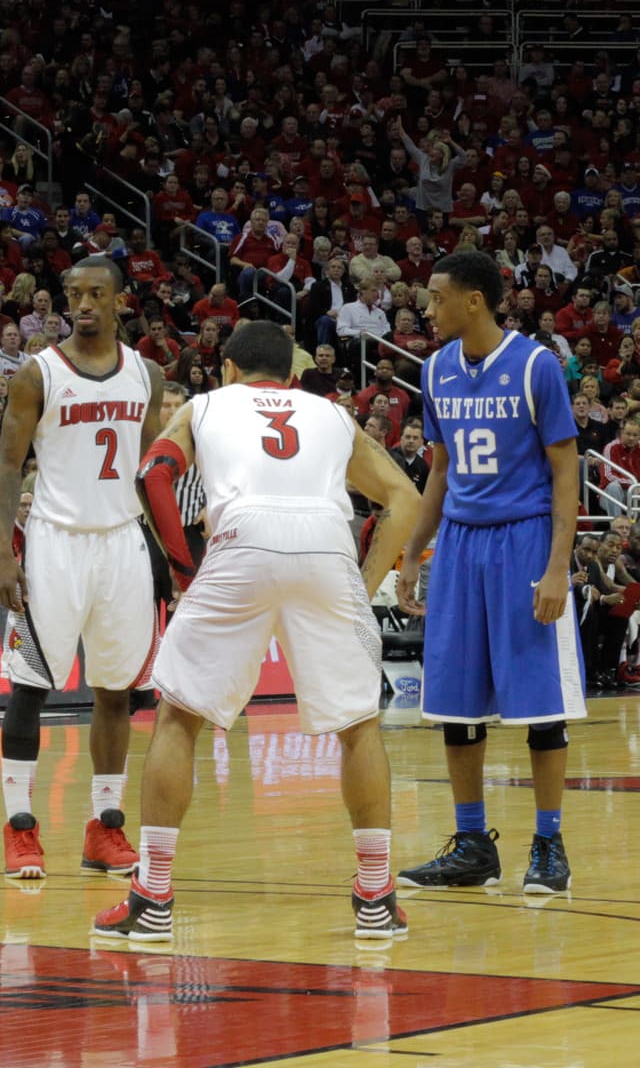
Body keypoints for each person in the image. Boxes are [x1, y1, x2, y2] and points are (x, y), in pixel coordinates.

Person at [93, 320, 422, 941]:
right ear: (293, 377)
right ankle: (376, 895)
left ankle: (153, 897)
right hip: (327, 546)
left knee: (179, 718)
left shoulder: (204, 404)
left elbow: (150, 476)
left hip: (240, 543)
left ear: (228, 370)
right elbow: (403, 496)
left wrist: (185, 569)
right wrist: (363, 577)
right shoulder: (332, 413)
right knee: (359, 727)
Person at [394, 250, 582, 895]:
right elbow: (439, 472)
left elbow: (566, 472)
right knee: (456, 703)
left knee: (540, 706)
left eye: (436, 296)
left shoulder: (536, 366)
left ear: (473, 300)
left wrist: (558, 566)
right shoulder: (435, 369)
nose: (428, 308)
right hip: (459, 546)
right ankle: (473, 843)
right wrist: (414, 551)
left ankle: (549, 846)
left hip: (525, 544)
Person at [0, 257, 163, 880]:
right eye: (73, 293)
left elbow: (148, 475)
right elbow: (8, 466)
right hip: (55, 542)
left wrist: (166, 551)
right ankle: (20, 829)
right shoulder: (39, 372)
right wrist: (4, 552)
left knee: (115, 691)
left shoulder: (149, 374)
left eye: (96, 294)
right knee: (31, 686)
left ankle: (105, 829)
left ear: (121, 302)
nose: (82, 303)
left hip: (122, 543)